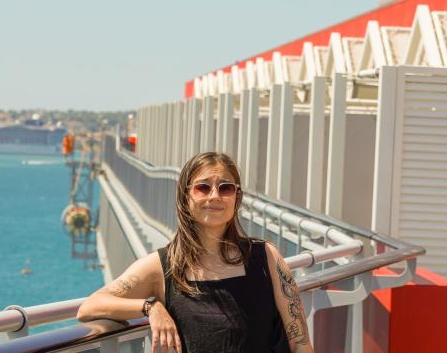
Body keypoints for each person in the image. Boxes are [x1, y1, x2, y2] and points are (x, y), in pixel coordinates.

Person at [77, 151, 313, 353]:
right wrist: (151, 307)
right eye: (203, 187)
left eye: (226, 188)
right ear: (185, 197)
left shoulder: (266, 258)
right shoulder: (163, 266)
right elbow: (90, 307)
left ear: (236, 198)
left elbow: (301, 344)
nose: (215, 196)